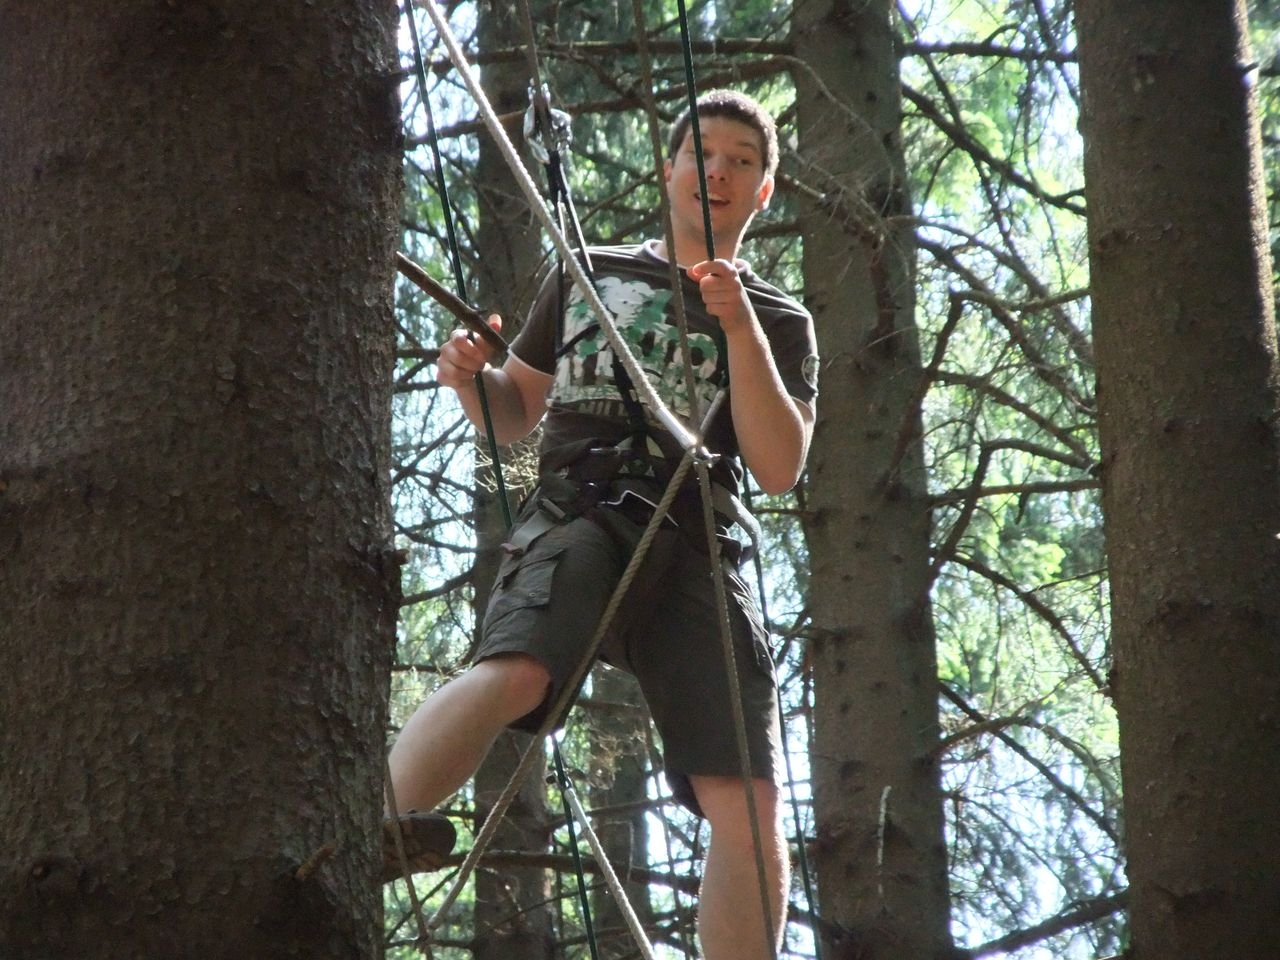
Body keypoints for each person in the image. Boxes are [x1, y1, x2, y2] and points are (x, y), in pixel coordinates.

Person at [386, 89, 819, 960]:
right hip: (582, 509)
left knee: (748, 800)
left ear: (764, 190)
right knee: (516, 672)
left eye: (742, 161)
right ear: (670, 169)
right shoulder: (590, 272)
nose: (719, 171)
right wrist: (470, 377)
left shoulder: (778, 319)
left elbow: (779, 466)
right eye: (703, 153)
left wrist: (739, 328)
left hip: (698, 542)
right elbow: (516, 409)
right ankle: (375, 823)